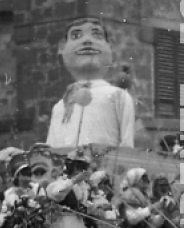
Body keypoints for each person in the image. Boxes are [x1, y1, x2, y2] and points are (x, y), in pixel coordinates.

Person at [46, 17, 135, 149]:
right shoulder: (60, 107)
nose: (87, 41)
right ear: (62, 48)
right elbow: (50, 151)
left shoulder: (117, 96)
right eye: (76, 36)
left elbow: (127, 146)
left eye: (96, 35)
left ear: (110, 46)